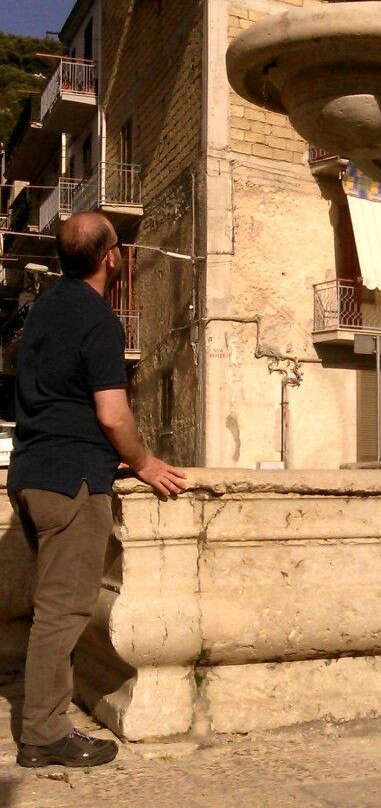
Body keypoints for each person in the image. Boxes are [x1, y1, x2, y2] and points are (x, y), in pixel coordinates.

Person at [7, 212, 187, 768]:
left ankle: (50, 719)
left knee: (50, 608)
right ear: (111, 258)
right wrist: (143, 460)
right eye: (119, 246)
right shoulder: (98, 320)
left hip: (31, 473)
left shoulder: (41, 312)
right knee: (62, 613)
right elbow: (112, 413)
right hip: (73, 480)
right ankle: (42, 736)